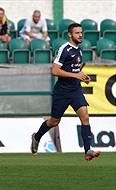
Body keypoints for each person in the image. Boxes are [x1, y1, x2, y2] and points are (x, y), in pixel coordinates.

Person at [30, 23, 101, 161]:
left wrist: (82, 76)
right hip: (62, 92)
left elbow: (73, 69)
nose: (80, 35)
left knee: (85, 117)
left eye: (81, 32)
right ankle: (36, 137)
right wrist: (75, 75)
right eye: (77, 33)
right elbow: (55, 71)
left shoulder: (79, 50)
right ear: (70, 34)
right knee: (54, 121)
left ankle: (87, 150)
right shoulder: (64, 49)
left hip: (75, 90)